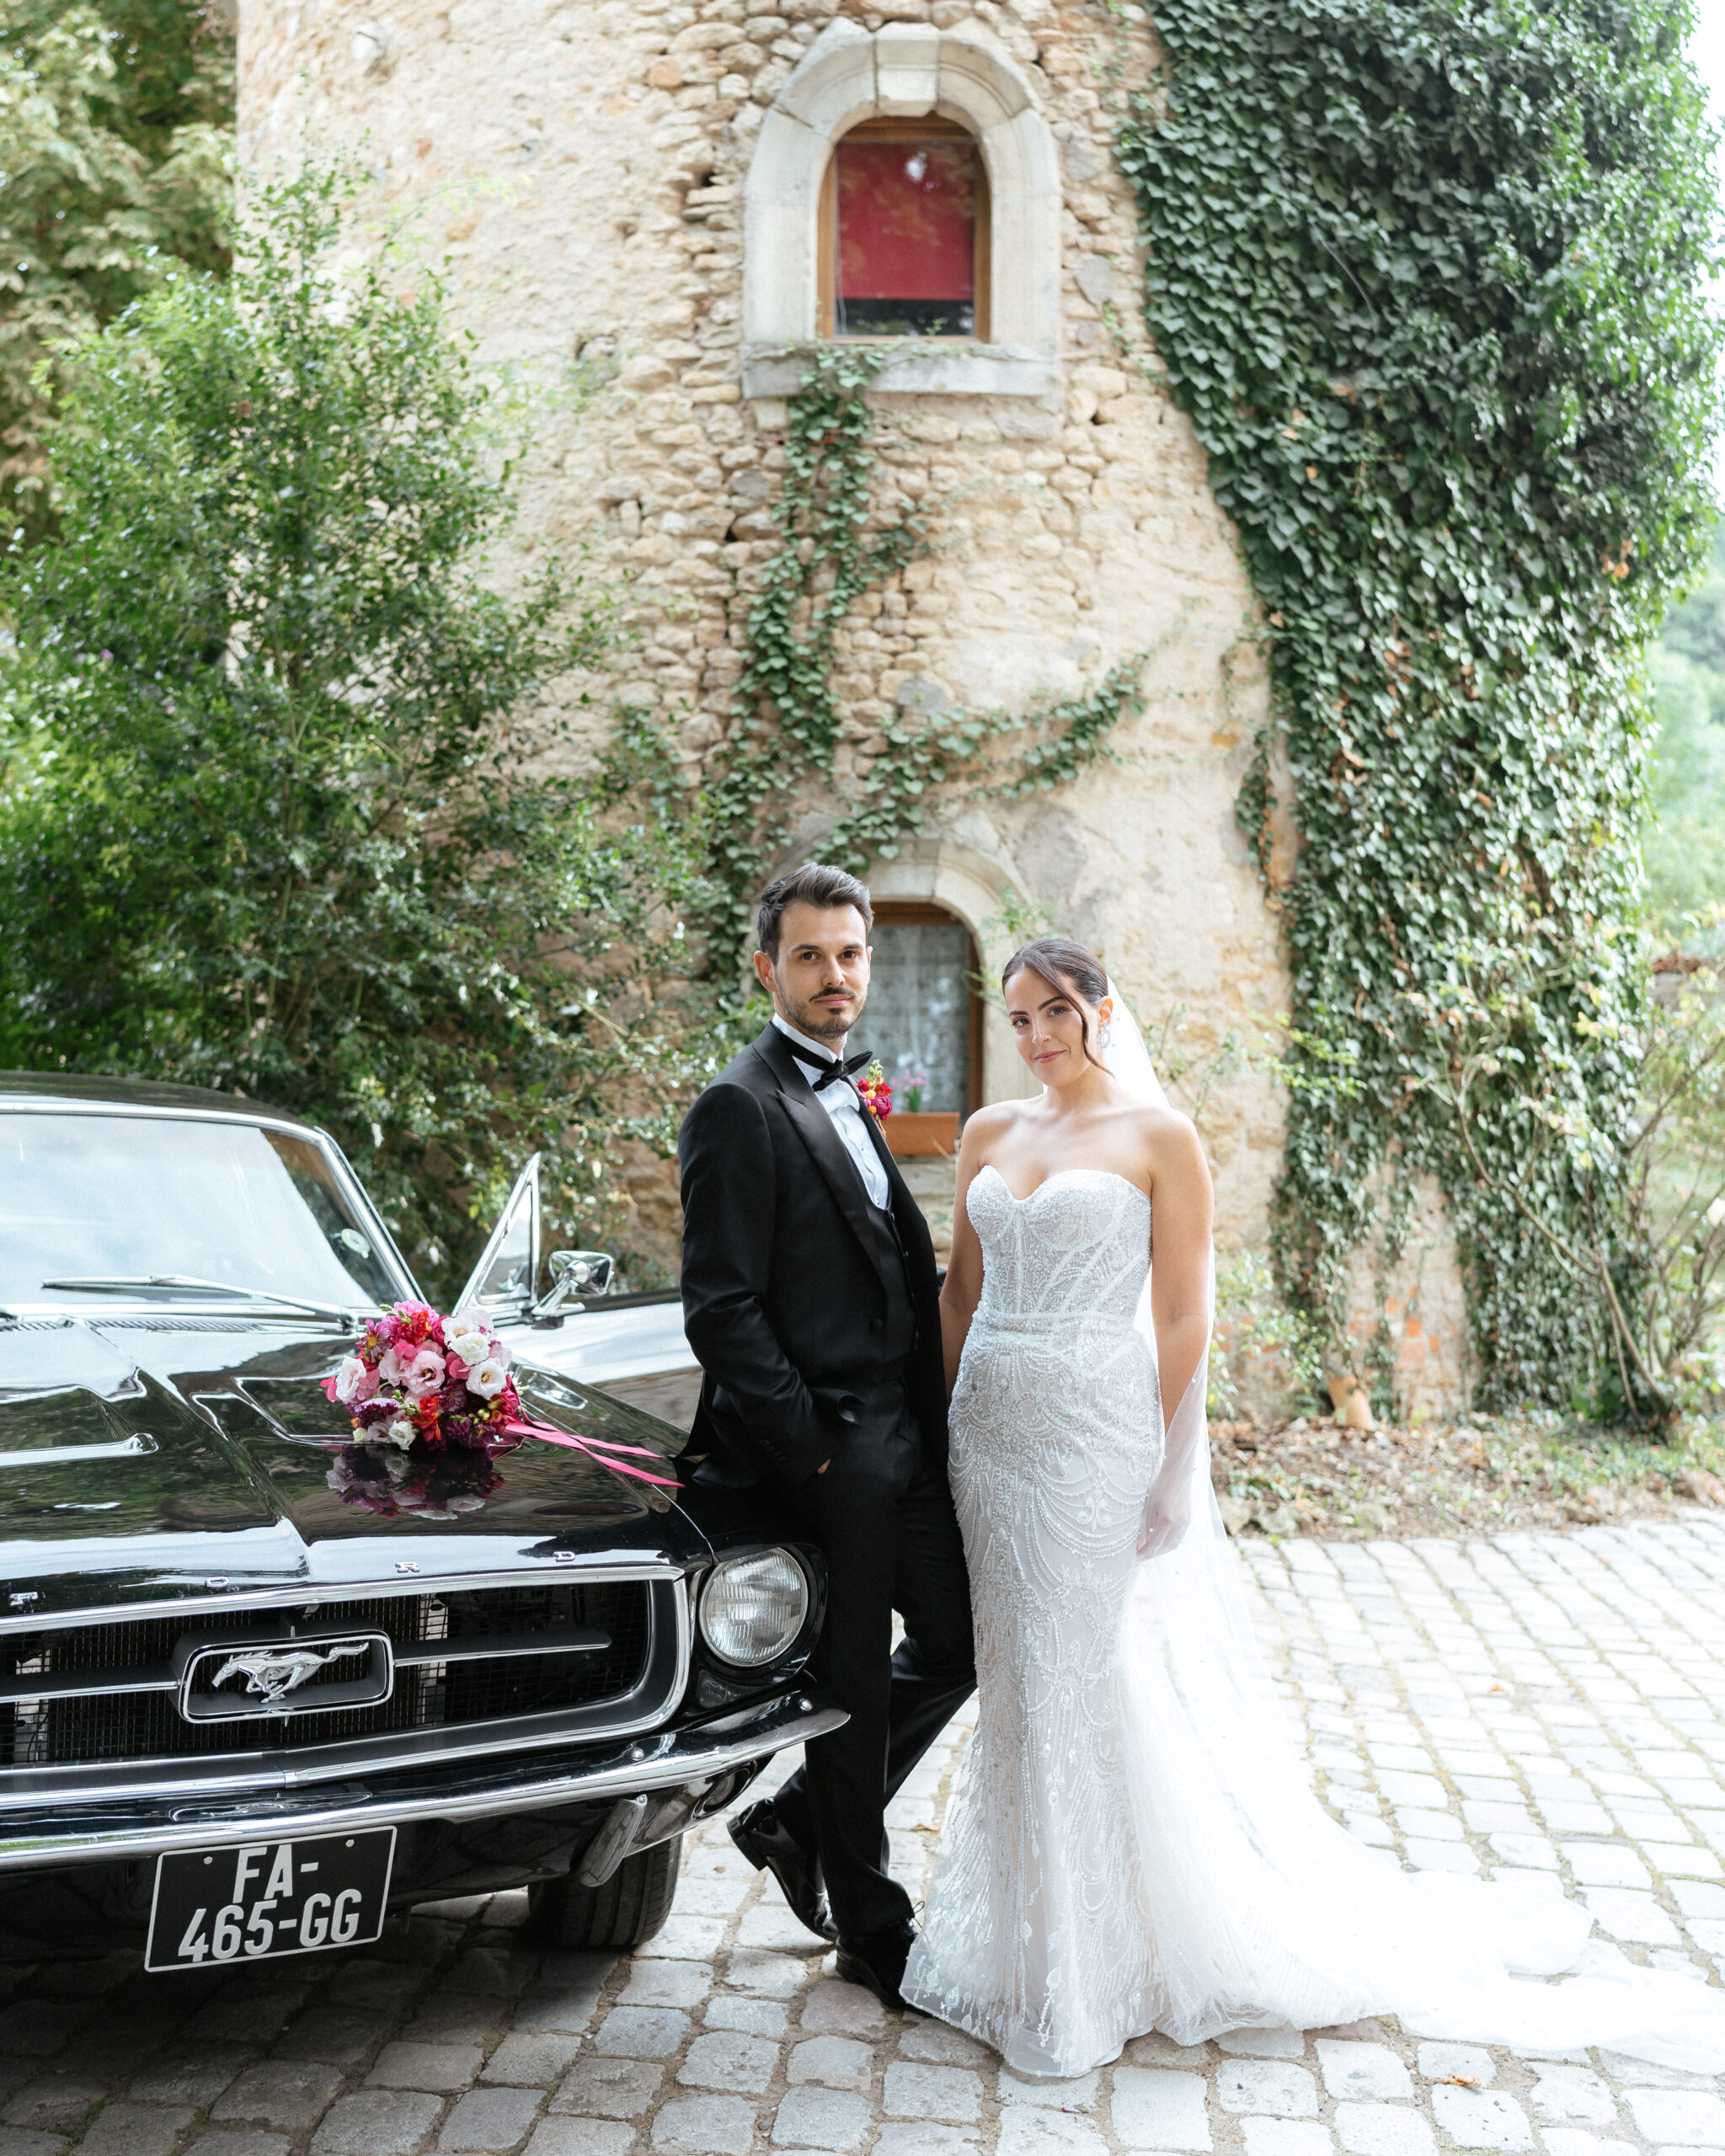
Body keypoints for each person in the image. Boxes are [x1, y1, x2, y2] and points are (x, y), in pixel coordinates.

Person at [900, 935, 1725, 2079]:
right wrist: (940, 1421)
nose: (1037, 1036)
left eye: (1055, 1012)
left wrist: (1164, 1460)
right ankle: (1030, 1944)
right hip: (989, 1438)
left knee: (1072, 1669)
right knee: (1019, 1677)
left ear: (1100, 1010)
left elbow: (1184, 1314)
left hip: (1094, 1436)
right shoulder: (990, 1133)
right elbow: (960, 1294)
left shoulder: (1160, 1137)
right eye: (1020, 1018)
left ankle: (1085, 1971)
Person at [677, 862, 975, 2010]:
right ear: (768, 969)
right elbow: (722, 1309)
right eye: (809, 955)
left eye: (849, 954)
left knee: (960, 1640)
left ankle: (798, 1823)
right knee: (850, 1686)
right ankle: (871, 1927)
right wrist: (812, 1447)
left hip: (905, 1436)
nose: (834, 974)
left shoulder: (850, 1093)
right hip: (831, 1450)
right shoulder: (738, 1104)